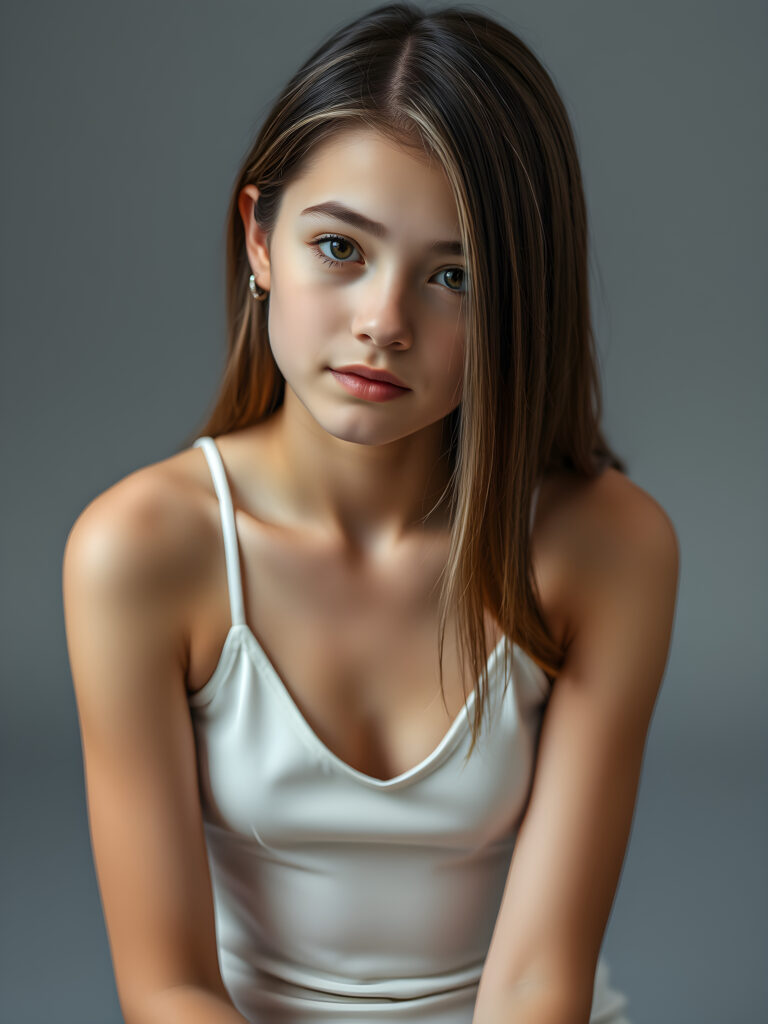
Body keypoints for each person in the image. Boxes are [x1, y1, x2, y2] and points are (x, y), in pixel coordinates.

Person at [62, 4, 679, 1023]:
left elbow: (537, 981)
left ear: (522, 301)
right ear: (258, 239)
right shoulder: (140, 553)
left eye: (454, 275)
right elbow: (167, 986)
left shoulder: (607, 548)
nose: (384, 323)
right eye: (341, 247)